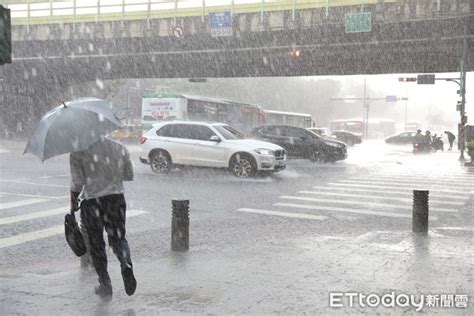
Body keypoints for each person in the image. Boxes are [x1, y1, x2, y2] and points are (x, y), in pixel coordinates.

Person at [70, 136, 136, 299]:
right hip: (116, 199)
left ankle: (105, 283)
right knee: (118, 238)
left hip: (92, 202)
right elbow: (129, 175)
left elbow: (77, 183)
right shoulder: (119, 147)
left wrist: (73, 203)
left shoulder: (78, 152)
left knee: (96, 244)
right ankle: (125, 262)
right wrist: (110, 172)